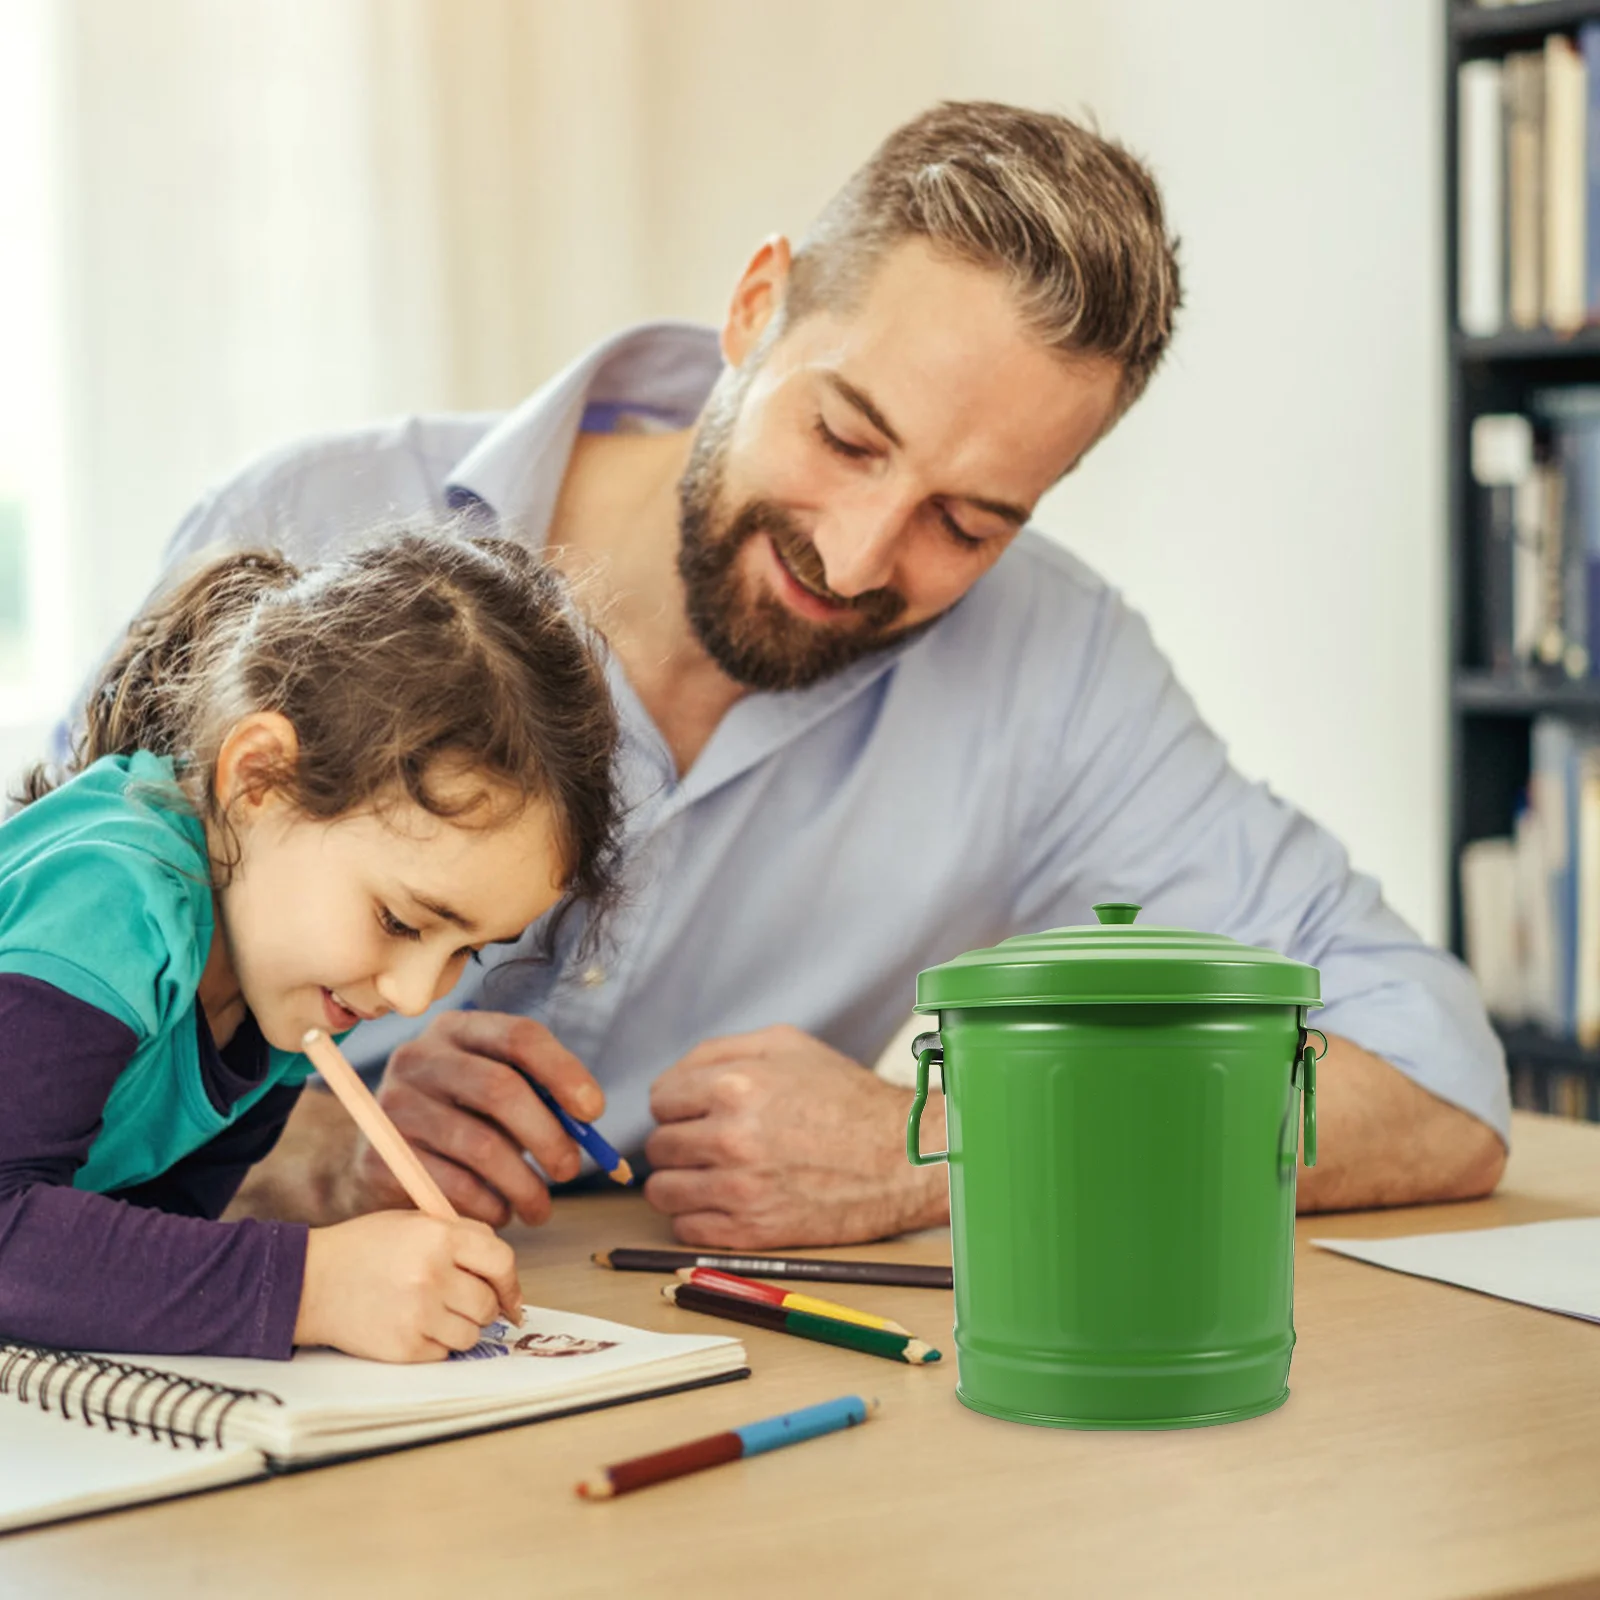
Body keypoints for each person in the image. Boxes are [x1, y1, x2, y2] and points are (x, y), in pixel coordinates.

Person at [74, 100, 1508, 1251]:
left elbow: (1439, 1081)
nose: (859, 551)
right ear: (757, 307)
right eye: (849, 435)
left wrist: (950, 1148)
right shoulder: (310, 525)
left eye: (969, 520)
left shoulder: (1058, 677)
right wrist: (306, 1139)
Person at [4, 530, 622, 1359]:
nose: (410, 995)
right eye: (402, 922)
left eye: (463, 951)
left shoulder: (287, 988)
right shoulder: (108, 897)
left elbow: (145, 1244)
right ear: (258, 779)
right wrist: (313, 1286)